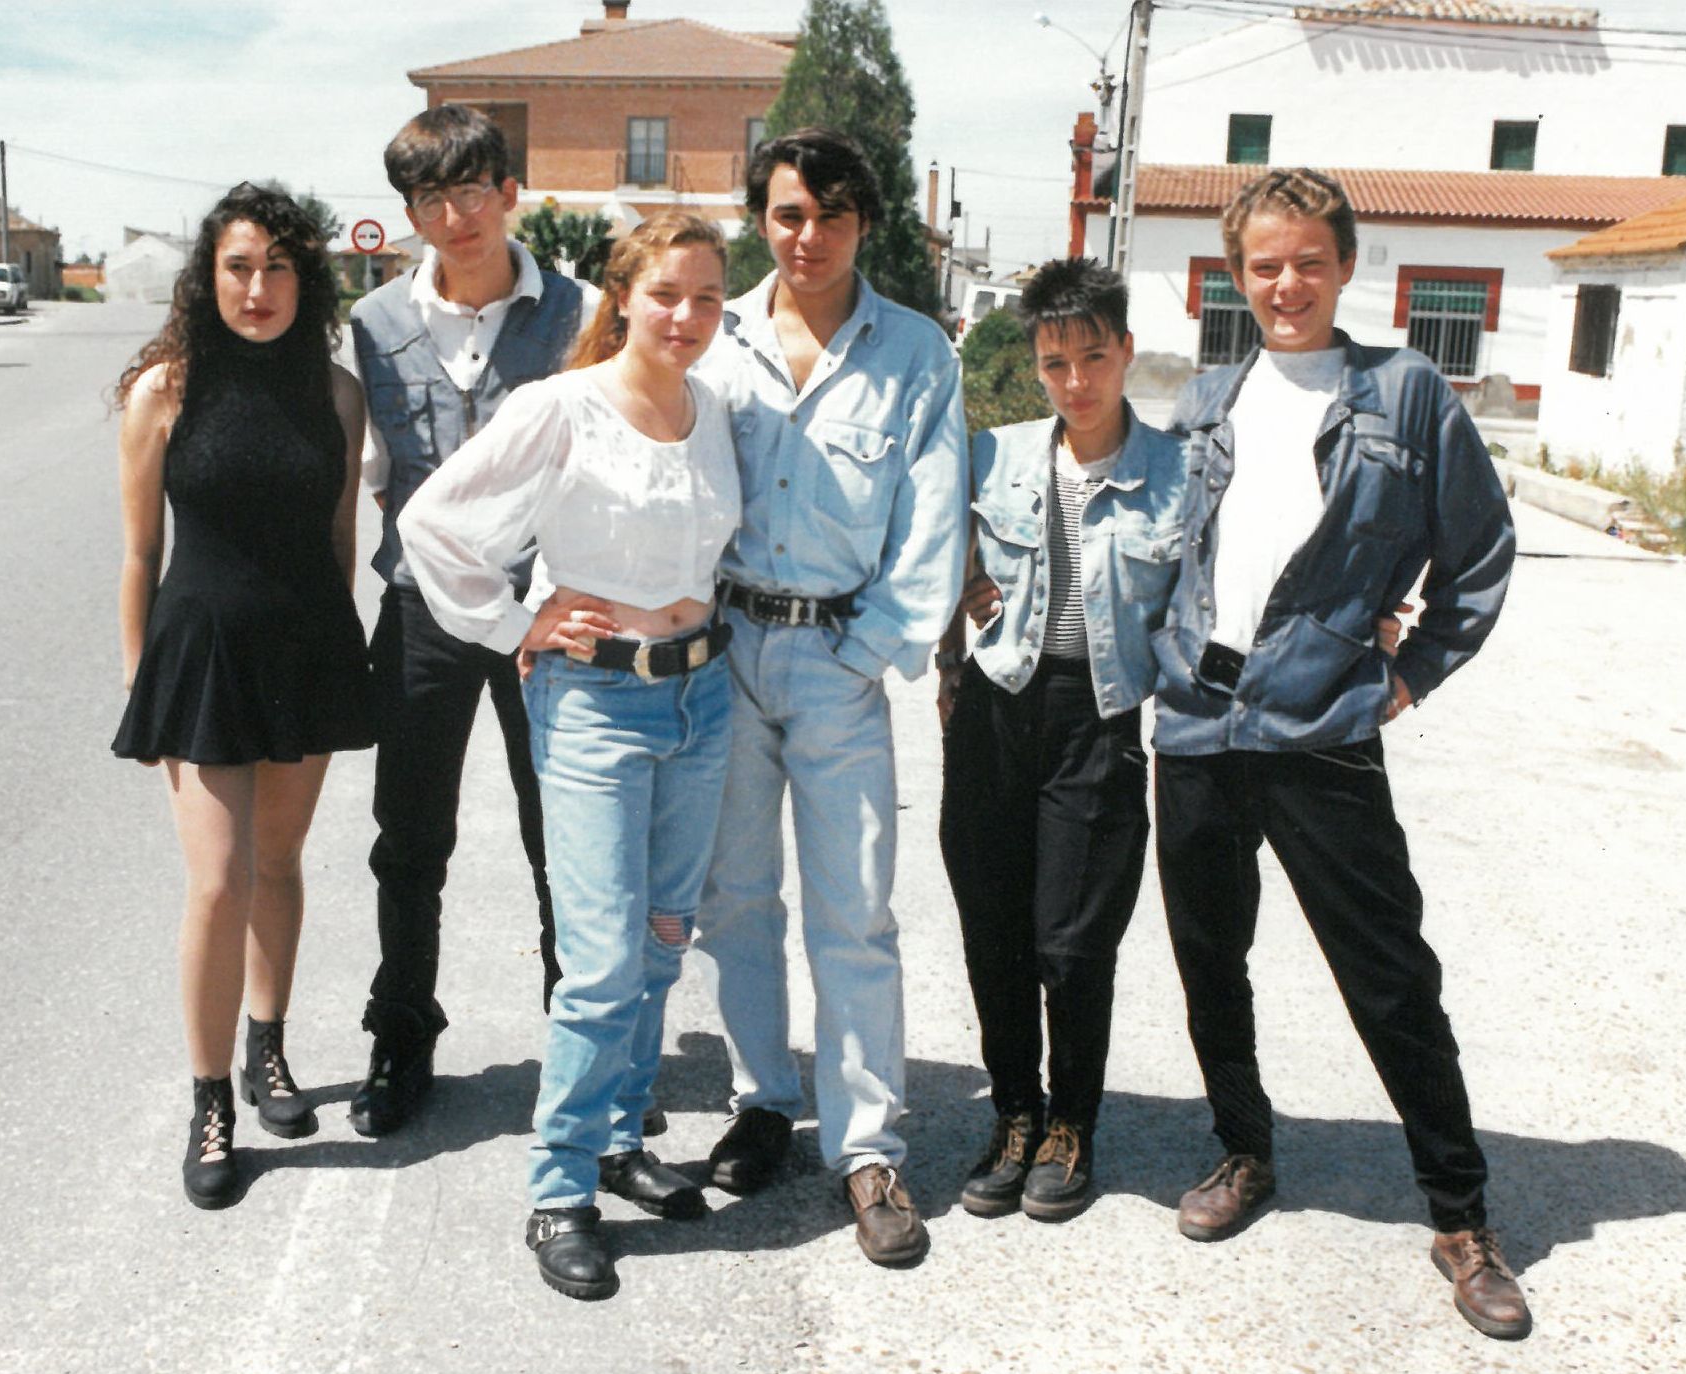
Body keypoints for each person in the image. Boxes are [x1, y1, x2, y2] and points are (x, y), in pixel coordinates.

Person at [1149, 168, 1531, 1339]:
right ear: (1234, 276)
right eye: (1264, 265)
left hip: (1318, 725)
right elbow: (1164, 550)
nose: (1286, 284)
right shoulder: (1205, 400)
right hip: (1198, 721)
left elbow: (1477, 558)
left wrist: (1408, 675)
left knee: (1387, 975)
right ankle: (1242, 1151)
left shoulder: (1405, 393)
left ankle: (1460, 1216)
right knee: (1209, 957)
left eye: (1307, 262)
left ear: (1345, 267)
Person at [398, 213, 741, 1301]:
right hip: (596, 703)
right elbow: (433, 523)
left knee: (661, 942)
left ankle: (616, 1141)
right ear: (622, 295)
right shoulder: (561, 407)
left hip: (701, 699)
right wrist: (517, 624)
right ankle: (558, 1193)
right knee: (597, 966)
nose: (685, 315)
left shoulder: (712, 409)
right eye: (665, 294)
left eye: (705, 297)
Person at [692, 128, 968, 1267]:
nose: (809, 237)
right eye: (789, 215)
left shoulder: (915, 353)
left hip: (837, 659)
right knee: (735, 899)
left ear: (866, 223)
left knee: (853, 910)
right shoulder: (713, 337)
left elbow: (932, 524)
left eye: (833, 216)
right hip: (723, 649)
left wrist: (869, 652)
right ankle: (762, 1100)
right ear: (761, 218)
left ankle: (866, 1150)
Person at [110, 183, 375, 1210]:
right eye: (237, 267)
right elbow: (139, 552)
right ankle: (210, 1097)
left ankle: (269, 1048)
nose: (256, 288)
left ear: (305, 282)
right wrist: (140, 680)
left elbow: (341, 537)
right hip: (201, 653)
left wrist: (336, 646)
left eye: (277, 268)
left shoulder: (336, 393)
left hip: (305, 644)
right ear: (207, 275)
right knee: (219, 880)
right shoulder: (164, 390)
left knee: (279, 862)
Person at [346, 105, 592, 1139]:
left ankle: (579, 1048)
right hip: (423, 616)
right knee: (408, 841)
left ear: (509, 194)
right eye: (429, 199)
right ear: (409, 214)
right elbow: (371, 476)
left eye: (471, 191)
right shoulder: (371, 325)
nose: (455, 217)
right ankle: (402, 1034)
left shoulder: (581, 314)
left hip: (546, 619)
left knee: (563, 838)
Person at [935, 258, 1188, 1223]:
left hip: (1100, 719)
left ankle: (1071, 1123)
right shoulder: (992, 457)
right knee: (993, 930)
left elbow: (1215, 594)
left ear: (1126, 351)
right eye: (1054, 364)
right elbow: (928, 551)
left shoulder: (1178, 474)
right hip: (997, 711)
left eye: (1093, 358)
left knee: (1073, 943)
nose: (1075, 382)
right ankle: (1014, 1116)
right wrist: (951, 636)